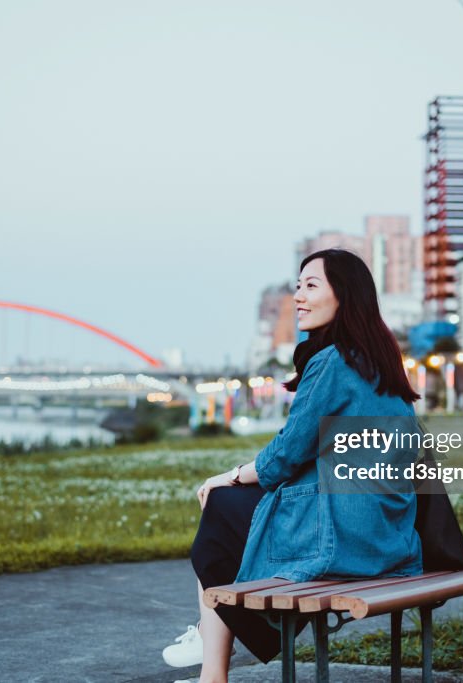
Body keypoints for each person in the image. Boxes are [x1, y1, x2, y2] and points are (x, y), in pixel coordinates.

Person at [163, 249, 423, 682]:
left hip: (344, 535)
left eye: (311, 285)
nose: (298, 297)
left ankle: (212, 661)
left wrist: (229, 475)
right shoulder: (378, 361)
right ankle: (212, 635)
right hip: (386, 535)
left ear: (345, 295)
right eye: (298, 285)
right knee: (237, 511)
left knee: (221, 507)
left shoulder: (333, 361)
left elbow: (287, 453)